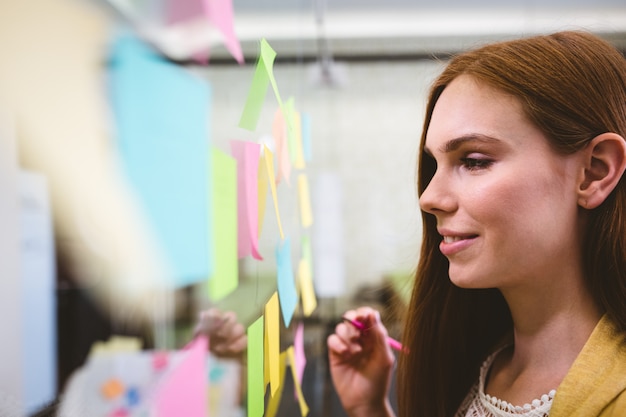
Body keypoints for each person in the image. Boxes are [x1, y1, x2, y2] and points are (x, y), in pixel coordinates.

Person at [327, 30, 626, 417]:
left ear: (594, 172)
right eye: (434, 164)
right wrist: (370, 409)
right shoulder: (481, 358)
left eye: (474, 160)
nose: (429, 198)